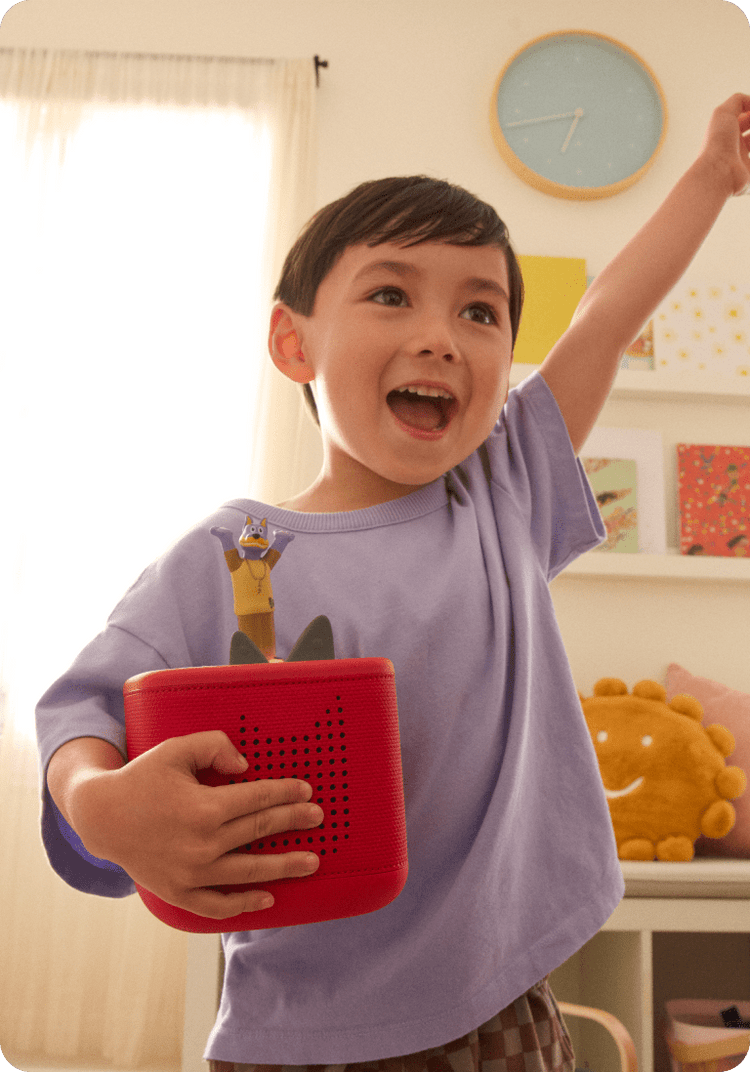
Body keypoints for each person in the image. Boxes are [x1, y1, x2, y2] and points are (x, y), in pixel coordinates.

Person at [37, 94, 750, 1072]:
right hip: (297, 1030)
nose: (442, 335)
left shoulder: (505, 492)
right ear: (296, 344)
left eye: (481, 311)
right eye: (391, 295)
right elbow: (80, 710)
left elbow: (609, 314)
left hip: (503, 1005)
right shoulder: (228, 555)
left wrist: (714, 172)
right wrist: (97, 803)